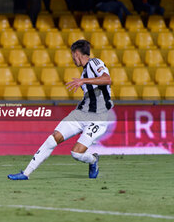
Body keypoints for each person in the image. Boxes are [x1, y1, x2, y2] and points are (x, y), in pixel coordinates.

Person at [8, 40, 113, 180]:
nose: (72, 58)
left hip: (97, 118)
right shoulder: (84, 73)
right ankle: (25, 173)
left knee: (77, 154)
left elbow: (107, 79)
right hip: (80, 113)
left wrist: (84, 81)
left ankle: (93, 160)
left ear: (77, 54)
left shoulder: (94, 63)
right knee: (53, 139)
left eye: (72, 55)